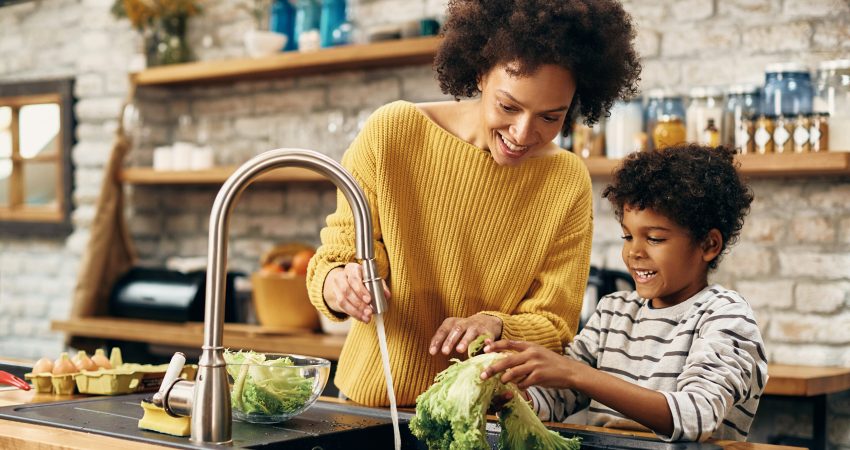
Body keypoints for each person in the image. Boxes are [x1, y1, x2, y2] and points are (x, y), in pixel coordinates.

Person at [306, 0, 641, 407]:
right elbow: (336, 256)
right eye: (508, 106)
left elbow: (555, 325)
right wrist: (338, 284)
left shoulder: (565, 181)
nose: (523, 133)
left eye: (551, 118)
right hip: (373, 407)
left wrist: (496, 325)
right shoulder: (392, 133)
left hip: (484, 417)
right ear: (480, 73)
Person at [481, 144, 767, 442]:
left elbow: (696, 416)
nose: (634, 252)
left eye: (655, 238)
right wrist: (509, 394)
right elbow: (555, 399)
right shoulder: (613, 312)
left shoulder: (726, 316)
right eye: (628, 236)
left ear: (709, 245)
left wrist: (574, 372)